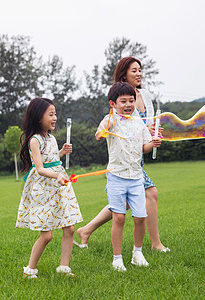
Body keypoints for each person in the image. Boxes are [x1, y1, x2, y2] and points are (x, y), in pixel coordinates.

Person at [75, 57, 170, 252]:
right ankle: (155, 244)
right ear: (124, 73)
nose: (139, 74)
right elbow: (122, 123)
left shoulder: (144, 94)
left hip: (138, 155)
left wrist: (153, 131)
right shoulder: (120, 97)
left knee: (125, 202)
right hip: (125, 157)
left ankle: (86, 230)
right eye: (134, 70)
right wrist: (145, 127)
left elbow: (149, 121)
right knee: (150, 193)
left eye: (140, 70)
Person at [95, 82, 160, 271]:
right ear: (113, 103)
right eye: (123, 101)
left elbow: (144, 147)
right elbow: (99, 134)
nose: (128, 105)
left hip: (136, 178)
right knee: (119, 218)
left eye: (131, 100)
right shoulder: (110, 120)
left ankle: (137, 254)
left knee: (140, 217)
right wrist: (103, 133)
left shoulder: (138, 122)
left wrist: (153, 144)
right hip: (116, 177)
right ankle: (117, 259)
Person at [16, 97, 83, 278]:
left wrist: (62, 152)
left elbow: (52, 160)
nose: (55, 118)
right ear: (39, 117)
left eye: (55, 114)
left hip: (59, 186)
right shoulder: (34, 140)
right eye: (51, 114)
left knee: (69, 228)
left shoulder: (51, 138)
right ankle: (29, 270)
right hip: (44, 189)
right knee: (46, 236)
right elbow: (39, 168)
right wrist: (57, 175)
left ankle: (64, 268)